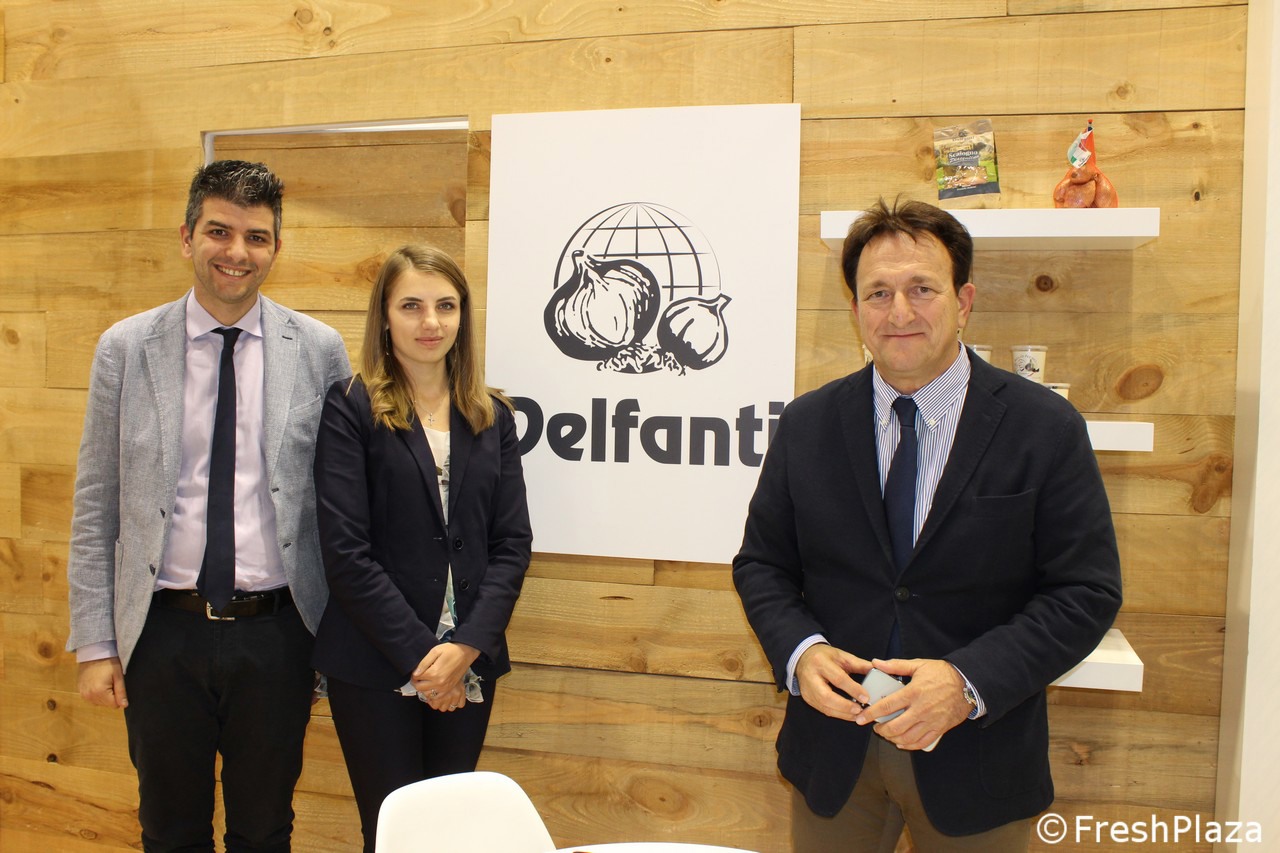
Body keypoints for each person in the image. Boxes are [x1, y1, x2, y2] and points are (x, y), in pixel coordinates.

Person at [732, 197, 1122, 851]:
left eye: (922, 289)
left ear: (964, 301)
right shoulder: (807, 424)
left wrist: (968, 683)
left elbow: (1085, 591)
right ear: (856, 309)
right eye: (878, 293)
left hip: (977, 757)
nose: (900, 313)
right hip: (835, 754)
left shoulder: (1045, 428)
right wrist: (801, 652)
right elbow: (762, 565)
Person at [66, 159, 352, 851]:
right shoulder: (126, 348)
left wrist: (338, 639)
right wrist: (96, 644)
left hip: (279, 635)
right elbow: (97, 503)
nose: (237, 252)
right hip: (162, 634)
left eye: (257, 237)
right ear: (187, 237)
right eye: (219, 231)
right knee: (169, 831)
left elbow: (342, 507)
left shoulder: (319, 351)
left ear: (276, 248)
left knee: (265, 830)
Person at [311, 244, 532, 852]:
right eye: (410, 306)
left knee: (451, 837)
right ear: (384, 316)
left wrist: (465, 649)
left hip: (470, 663)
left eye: (445, 306)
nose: (430, 322)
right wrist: (426, 661)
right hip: (375, 663)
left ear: (463, 316)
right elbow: (347, 553)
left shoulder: (492, 415)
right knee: (392, 836)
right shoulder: (351, 406)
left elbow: (512, 544)